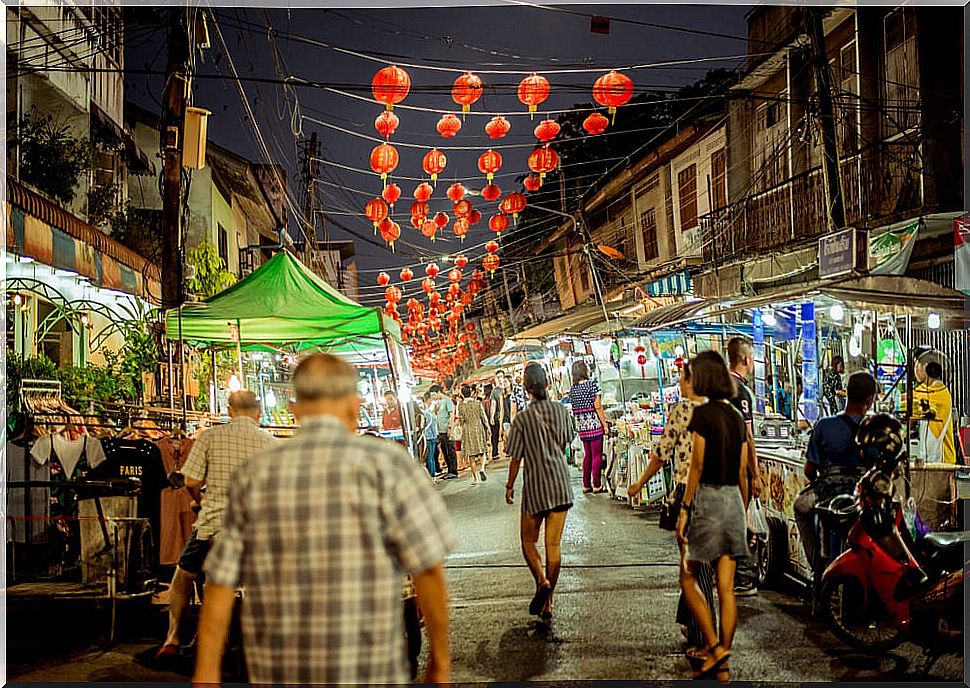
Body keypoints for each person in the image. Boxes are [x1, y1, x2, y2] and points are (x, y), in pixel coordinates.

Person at [193, 353, 456, 686]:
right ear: (354, 404)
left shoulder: (255, 475)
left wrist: (206, 673)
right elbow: (428, 568)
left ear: (294, 408)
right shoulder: (390, 464)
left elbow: (220, 582)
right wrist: (440, 664)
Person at [156, 391, 276, 660]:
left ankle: (173, 637)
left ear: (230, 411)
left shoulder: (210, 436)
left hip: (213, 524)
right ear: (258, 414)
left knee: (184, 574)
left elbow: (190, 482)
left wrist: (201, 501)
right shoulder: (272, 444)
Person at [627, 361, 716, 659]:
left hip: (691, 494)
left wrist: (639, 483)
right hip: (720, 495)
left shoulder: (683, 411)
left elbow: (661, 454)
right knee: (694, 566)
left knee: (695, 567)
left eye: (682, 378)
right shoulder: (720, 410)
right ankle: (691, 623)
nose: (679, 382)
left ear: (693, 381)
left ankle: (707, 639)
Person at [676, 351, 750, 682]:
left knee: (688, 577)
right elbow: (742, 471)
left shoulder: (703, 415)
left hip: (707, 500)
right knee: (726, 588)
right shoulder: (736, 416)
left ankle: (716, 647)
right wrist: (743, 508)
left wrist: (685, 509)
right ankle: (723, 666)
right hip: (733, 500)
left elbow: (697, 466)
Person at [504, 363, 575, 621]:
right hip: (560, 484)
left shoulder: (522, 419)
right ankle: (549, 600)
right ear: (547, 384)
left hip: (535, 487)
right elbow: (567, 438)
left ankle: (542, 581)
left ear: (526, 387)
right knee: (553, 545)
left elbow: (515, 457)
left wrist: (510, 485)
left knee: (528, 542)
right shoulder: (560, 411)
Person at [793, 371, 877, 571]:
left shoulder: (824, 426)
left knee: (800, 506)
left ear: (846, 393)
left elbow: (809, 470)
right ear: (870, 400)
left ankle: (816, 562)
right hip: (862, 498)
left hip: (828, 495)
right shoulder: (874, 430)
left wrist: (819, 480)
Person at [726, 337, 764, 597]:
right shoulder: (740, 391)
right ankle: (742, 577)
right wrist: (756, 473)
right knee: (742, 521)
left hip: (718, 468)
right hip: (737, 468)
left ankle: (726, 574)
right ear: (745, 360)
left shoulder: (718, 388)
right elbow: (748, 436)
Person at [568, 360, 610, 494]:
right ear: (583, 371)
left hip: (582, 427)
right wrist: (605, 425)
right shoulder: (591, 386)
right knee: (597, 455)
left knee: (588, 455)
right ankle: (597, 485)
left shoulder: (573, 390)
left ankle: (586, 485)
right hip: (593, 424)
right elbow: (598, 406)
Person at [911, 349, 957, 464]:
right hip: (929, 458)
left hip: (942, 458)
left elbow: (910, 397)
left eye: (916, 365)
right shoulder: (924, 390)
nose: (915, 370)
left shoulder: (939, 391)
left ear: (925, 366)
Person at [457, 385, 490, 483]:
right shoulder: (477, 403)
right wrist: (488, 427)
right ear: (471, 393)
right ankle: (482, 469)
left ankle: (475, 479)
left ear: (462, 394)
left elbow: (461, 420)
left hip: (467, 430)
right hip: (478, 428)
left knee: (471, 455)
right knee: (482, 451)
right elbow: (483, 416)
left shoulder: (461, 405)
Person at [431, 385, 458, 479]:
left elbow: (451, 415)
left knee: (450, 450)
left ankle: (454, 471)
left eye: (434, 395)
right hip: (440, 431)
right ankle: (449, 470)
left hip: (447, 430)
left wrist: (450, 428)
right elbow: (433, 414)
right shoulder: (438, 402)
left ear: (439, 392)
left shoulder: (447, 400)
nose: (433, 397)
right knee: (444, 451)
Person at [490, 371, 512, 460]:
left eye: (501, 377)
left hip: (514, 415)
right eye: (498, 377)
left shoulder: (512, 389)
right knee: (506, 434)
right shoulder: (495, 391)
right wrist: (492, 416)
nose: (500, 379)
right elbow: (494, 405)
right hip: (503, 416)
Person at [421, 393, 440, 480]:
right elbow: (432, 426)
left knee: (430, 457)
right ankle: (432, 475)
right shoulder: (428, 413)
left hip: (428, 437)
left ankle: (432, 474)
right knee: (431, 457)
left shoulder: (426, 413)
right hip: (431, 436)